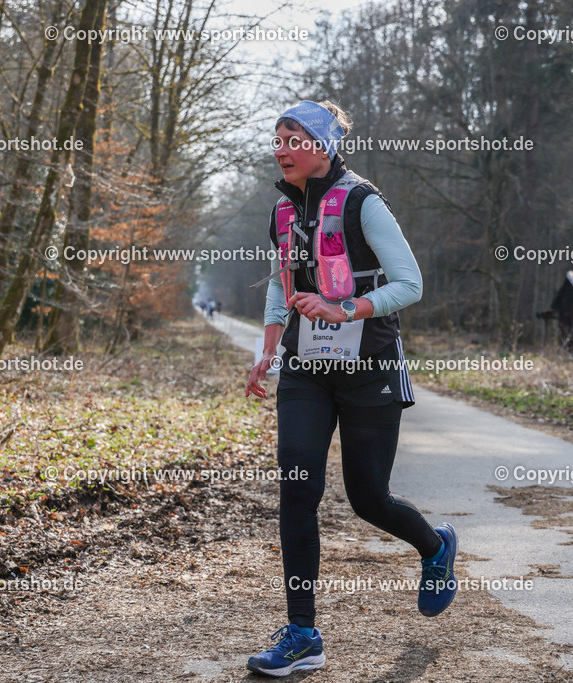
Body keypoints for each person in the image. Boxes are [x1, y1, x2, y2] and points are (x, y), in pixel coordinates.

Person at [244, 100, 458, 678]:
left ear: (322, 145)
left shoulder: (363, 202)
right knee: (296, 489)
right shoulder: (283, 212)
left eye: (292, 137)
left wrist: (346, 309)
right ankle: (302, 632)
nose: (281, 148)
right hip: (305, 371)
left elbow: (410, 284)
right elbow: (280, 290)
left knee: (369, 498)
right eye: (277, 138)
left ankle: (435, 546)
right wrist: (267, 350)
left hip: (369, 366)